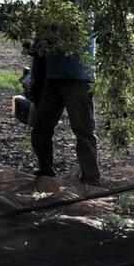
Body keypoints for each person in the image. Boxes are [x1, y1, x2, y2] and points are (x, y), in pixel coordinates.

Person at [31, 35, 101, 186]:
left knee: (83, 131)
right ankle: (46, 172)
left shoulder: (84, 14)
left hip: (79, 79)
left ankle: (91, 179)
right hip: (53, 79)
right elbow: (39, 50)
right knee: (40, 130)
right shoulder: (48, 20)